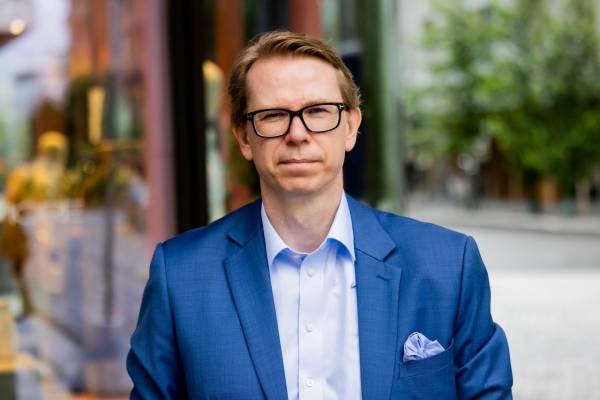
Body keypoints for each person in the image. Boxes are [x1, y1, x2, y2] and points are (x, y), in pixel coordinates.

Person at [127, 31, 513, 399]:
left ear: (351, 127)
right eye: (273, 115)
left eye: (318, 111)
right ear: (244, 136)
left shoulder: (448, 267)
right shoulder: (180, 277)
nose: (297, 134)